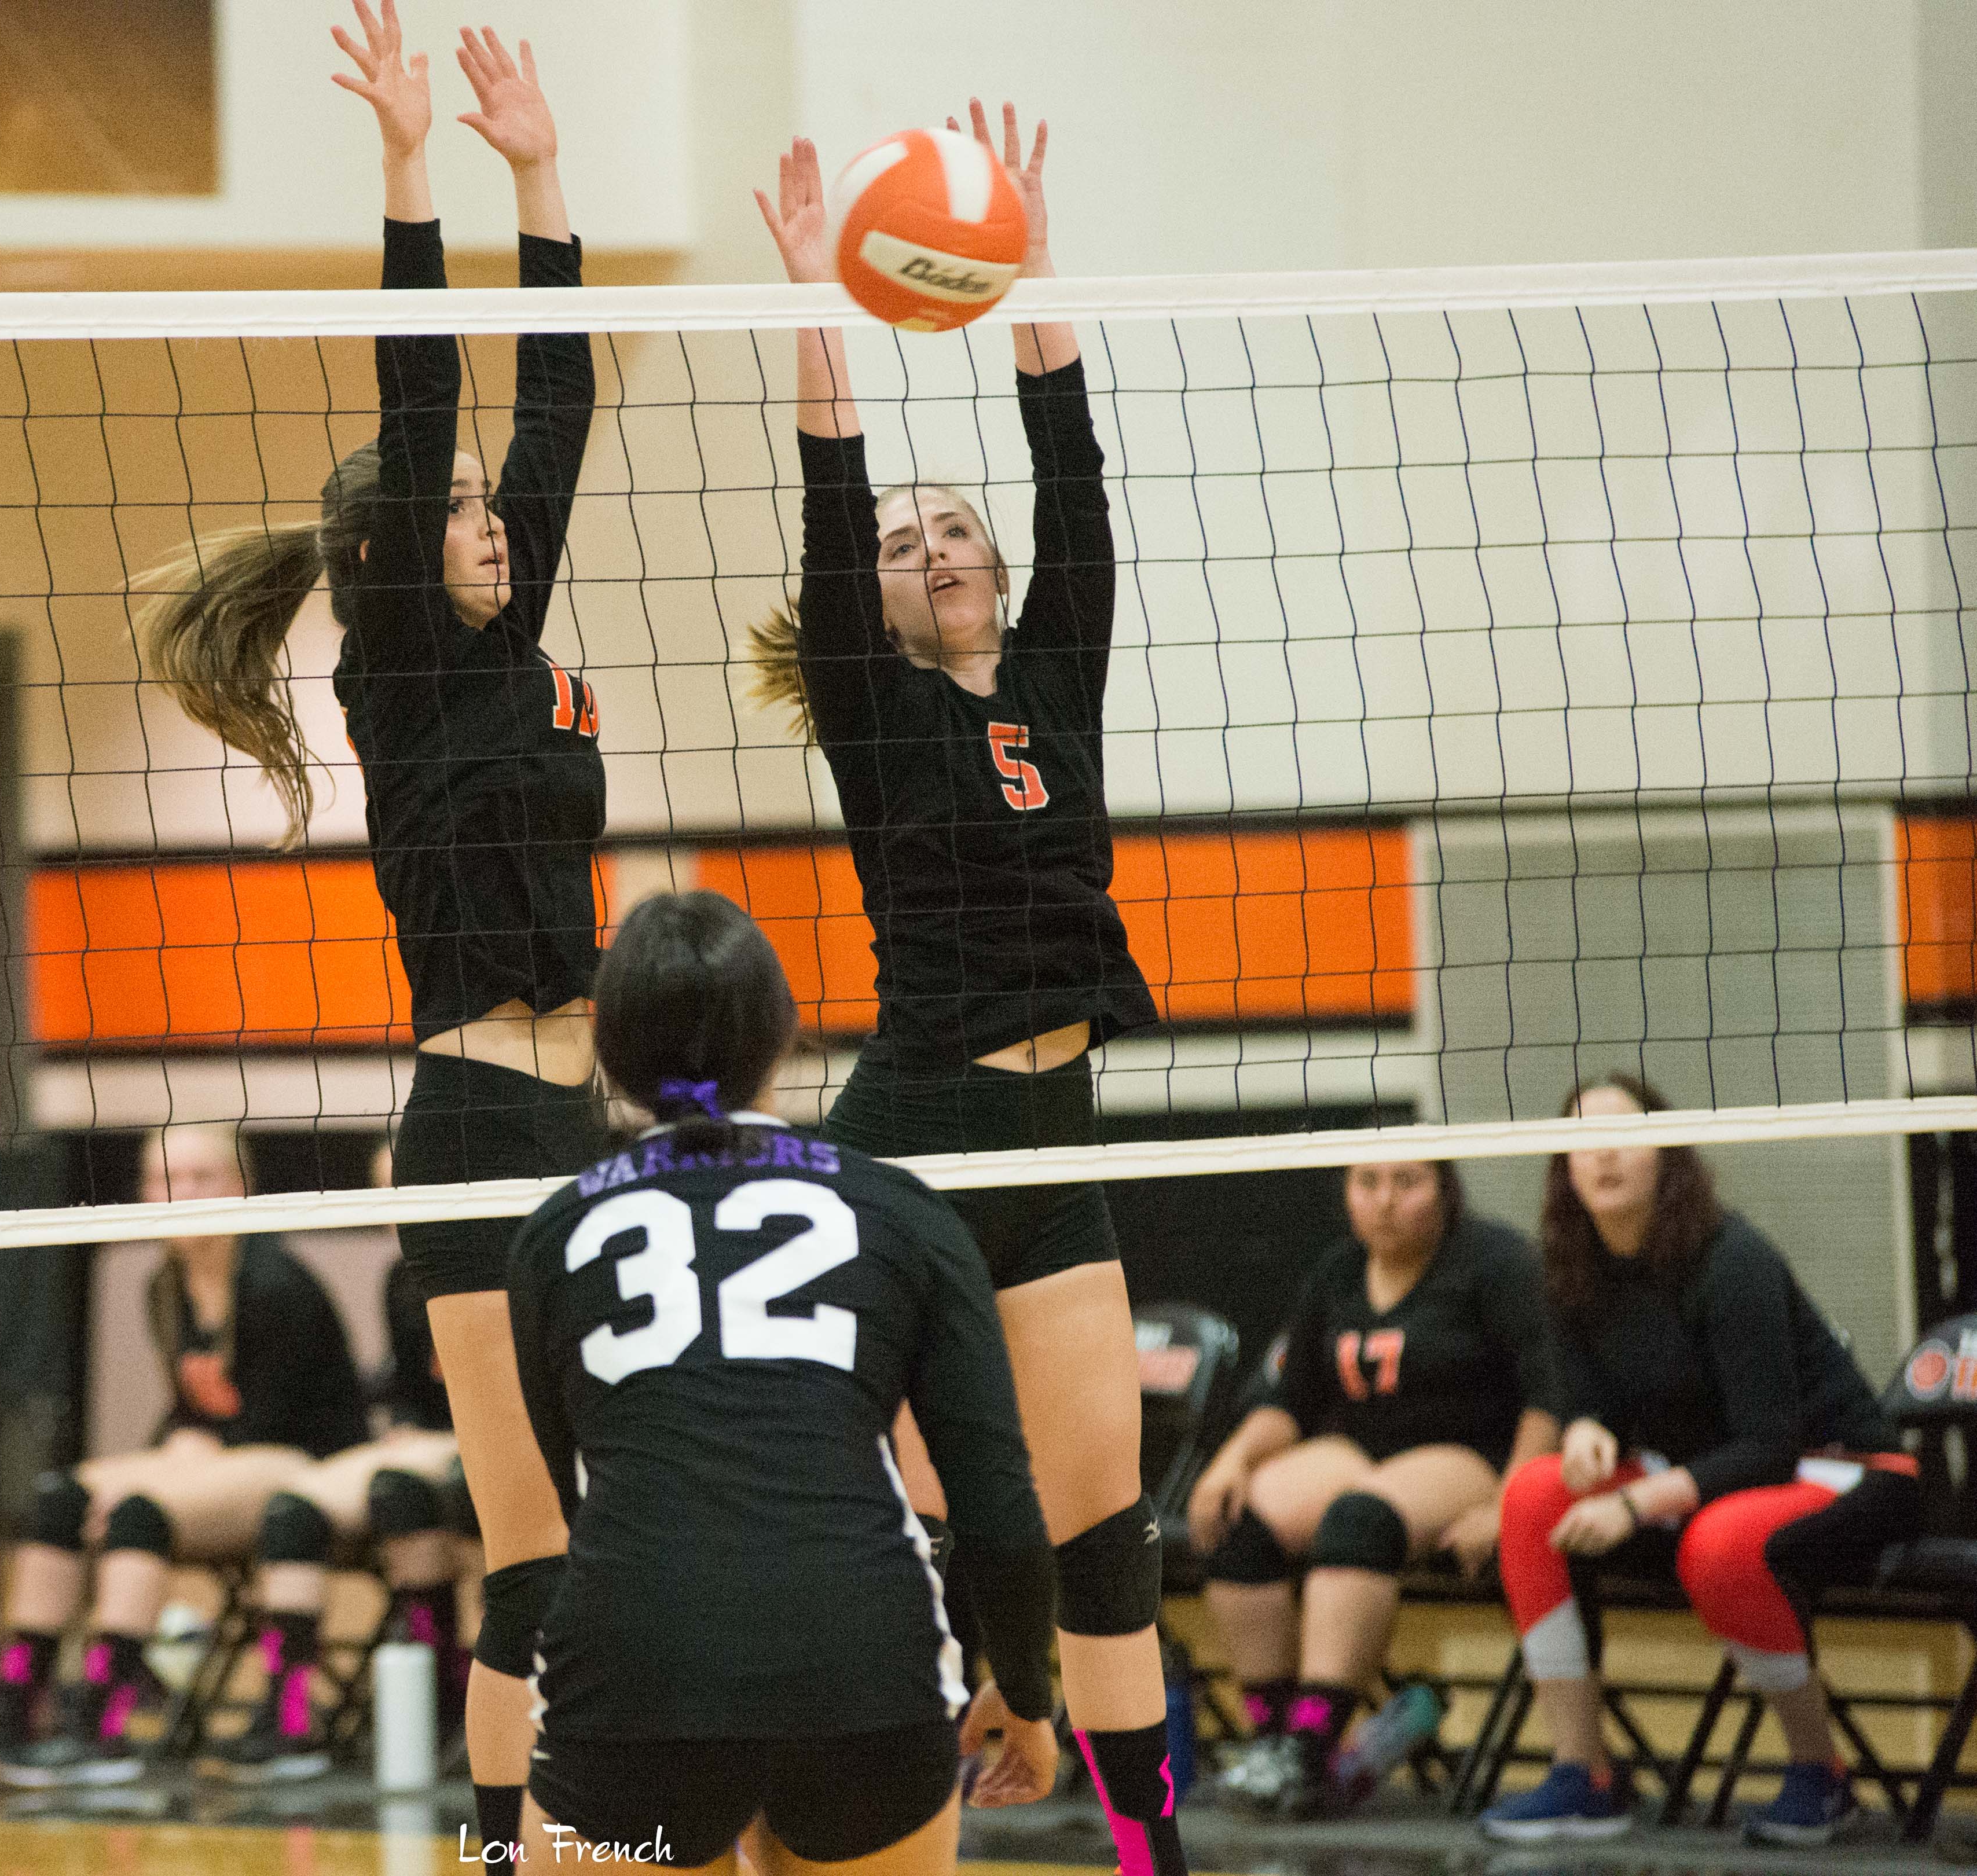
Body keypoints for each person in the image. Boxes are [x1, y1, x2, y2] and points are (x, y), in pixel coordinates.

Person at [138, 5, 604, 1848]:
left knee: (619, 1517)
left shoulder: (511, 630)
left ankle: (621, 1807)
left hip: (592, 1126)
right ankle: (505, 1844)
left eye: (495, 512)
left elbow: (545, 399)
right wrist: (411, 170)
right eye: (463, 511)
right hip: (479, 1129)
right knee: (536, 1552)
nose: (491, 520)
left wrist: (540, 166)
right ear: (397, 558)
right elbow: (432, 409)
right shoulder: (402, 670)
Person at [749, 104, 1183, 1876]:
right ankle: (795, 1812)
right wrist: (806, 305)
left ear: (996, 571)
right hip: (917, 1131)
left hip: (1050, 1146)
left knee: (1107, 1549)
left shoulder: (1057, 670)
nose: (928, 542)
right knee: (877, 1515)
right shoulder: (873, 704)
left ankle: (1158, 1855)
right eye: (902, 537)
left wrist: (1036, 270)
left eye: (954, 528)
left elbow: (1069, 465)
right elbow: (830, 484)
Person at [508, 892, 1061, 1875]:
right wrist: (1024, 1692)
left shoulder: (551, 1235)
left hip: (638, 1667)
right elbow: (996, 1501)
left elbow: (575, 1485)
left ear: (609, 1048)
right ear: (782, 1034)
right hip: (860, 1664)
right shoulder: (901, 1212)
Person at [1479, 1073, 1919, 1847]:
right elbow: (1589, 1402)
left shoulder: (1730, 1259)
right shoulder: (1571, 1269)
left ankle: (1823, 1773)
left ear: (1667, 1156)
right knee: (1533, 1494)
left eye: (1624, 1134)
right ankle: (1586, 1774)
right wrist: (1585, 1432)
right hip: (1710, 1480)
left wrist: (1632, 1504)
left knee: (1719, 1542)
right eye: (1582, 1140)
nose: (1604, 1154)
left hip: (1843, 1468)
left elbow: (1769, 1444)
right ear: (1562, 1166)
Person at [0, 1123, 370, 1787]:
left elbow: (266, 1420)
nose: (179, 1196)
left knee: (138, 1512)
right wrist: (181, 1445)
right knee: (59, 1499)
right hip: (221, 1459)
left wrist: (185, 1455)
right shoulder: (166, 1285)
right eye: (163, 1181)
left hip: (303, 1461)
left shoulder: (275, 1285)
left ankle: (106, 1719)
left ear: (240, 1189)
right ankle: (16, 1707)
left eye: (199, 1179)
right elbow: (193, 1411)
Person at [1187, 1160, 1558, 1815]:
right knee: (1239, 1522)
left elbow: (1549, 1393)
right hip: (1361, 1447)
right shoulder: (1336, 1270)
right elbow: (1290, 1396)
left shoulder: (1496, 1263)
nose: (1385, 1202)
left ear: (1445, 1189)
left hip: (1470, 1453)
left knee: (1357, 1520)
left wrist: (1507, 1503)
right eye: (1368, 1183)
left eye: (1407, 1183)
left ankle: (1309, 1747)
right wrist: (1231, 1461)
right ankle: (1273, 1736)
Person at [211, 1144, 471, 1782]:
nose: (397, 1209)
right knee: (294, 1509)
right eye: (386, 1192)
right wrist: (407, 1425)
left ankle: (446, 1693)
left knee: (401, 1491)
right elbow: (411, 1389)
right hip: (424, 1444)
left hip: (486, 1443)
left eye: (409, 1188)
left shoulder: (493, 1270)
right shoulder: (399, 1280)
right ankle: (292, 1711)